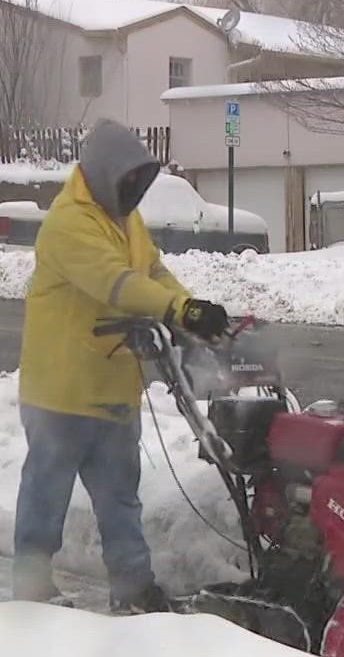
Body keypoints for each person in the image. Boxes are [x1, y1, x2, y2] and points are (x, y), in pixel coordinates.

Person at [12, 119, 230, 612]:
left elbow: (150, 271)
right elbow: (116, 283)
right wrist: (175, 311)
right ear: (108, 173)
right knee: (47, 491)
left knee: (120, 498)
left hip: (113, 383)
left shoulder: (121, 217)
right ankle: (29, 586)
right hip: (61, 390)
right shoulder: (69, 223)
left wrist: (190, 308)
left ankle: (132, 589)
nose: (135, 191)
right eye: (130, 180)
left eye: (141, 182)